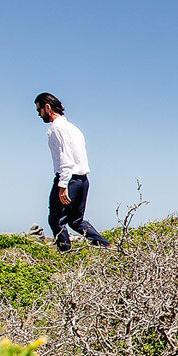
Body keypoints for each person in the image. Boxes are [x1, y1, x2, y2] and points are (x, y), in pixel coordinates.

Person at [33, 92, 113, 252]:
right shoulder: (74, 128)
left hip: (68, 179)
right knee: (76, 221)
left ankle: (66, 255)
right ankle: (107, 246)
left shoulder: (57, 129)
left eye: (39, 109)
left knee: (56, 220)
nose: (38, 114)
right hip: (82, 180)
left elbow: (65, 158)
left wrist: (62, 185)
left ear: (47, 107)